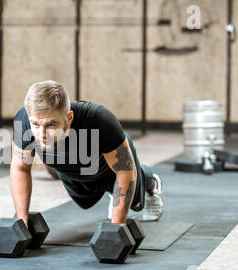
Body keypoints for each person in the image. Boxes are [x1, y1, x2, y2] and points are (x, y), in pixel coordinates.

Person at [10, 80, 163, 227]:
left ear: (69, 118)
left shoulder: (99, 119)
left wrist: (116, 226)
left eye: (51, 124)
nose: (41, 134)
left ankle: (151, 183)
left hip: (109, 170)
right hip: (73, 173)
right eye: (35, 124)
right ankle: (113, 191)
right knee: (84, 202)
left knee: (134, 197)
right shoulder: (23, 120)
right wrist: (22, 221)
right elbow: (20, 167)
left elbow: (124, 170)